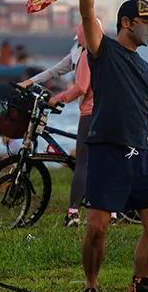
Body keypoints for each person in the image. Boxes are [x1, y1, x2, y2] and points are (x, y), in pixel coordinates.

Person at [77, 0, 148, 292]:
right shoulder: (103, 51)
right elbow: (87, 12)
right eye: (145, 22)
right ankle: (91, 285)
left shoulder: (146, 69)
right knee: (97, 227)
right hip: (107, 151)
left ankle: (138, 287)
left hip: (141, 155)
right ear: (126, 22)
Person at [20, 21, 99, 227]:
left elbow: (81, 87)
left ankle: (73, 214)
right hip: (105, 112)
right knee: (98, 162)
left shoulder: (87, 55)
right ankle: (111, 211)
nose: (78, 42)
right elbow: (54, 71)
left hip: (92, 113)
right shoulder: (88, 53)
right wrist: (30, 82)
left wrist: (58, 98)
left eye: (79, 38)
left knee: (83, 163)